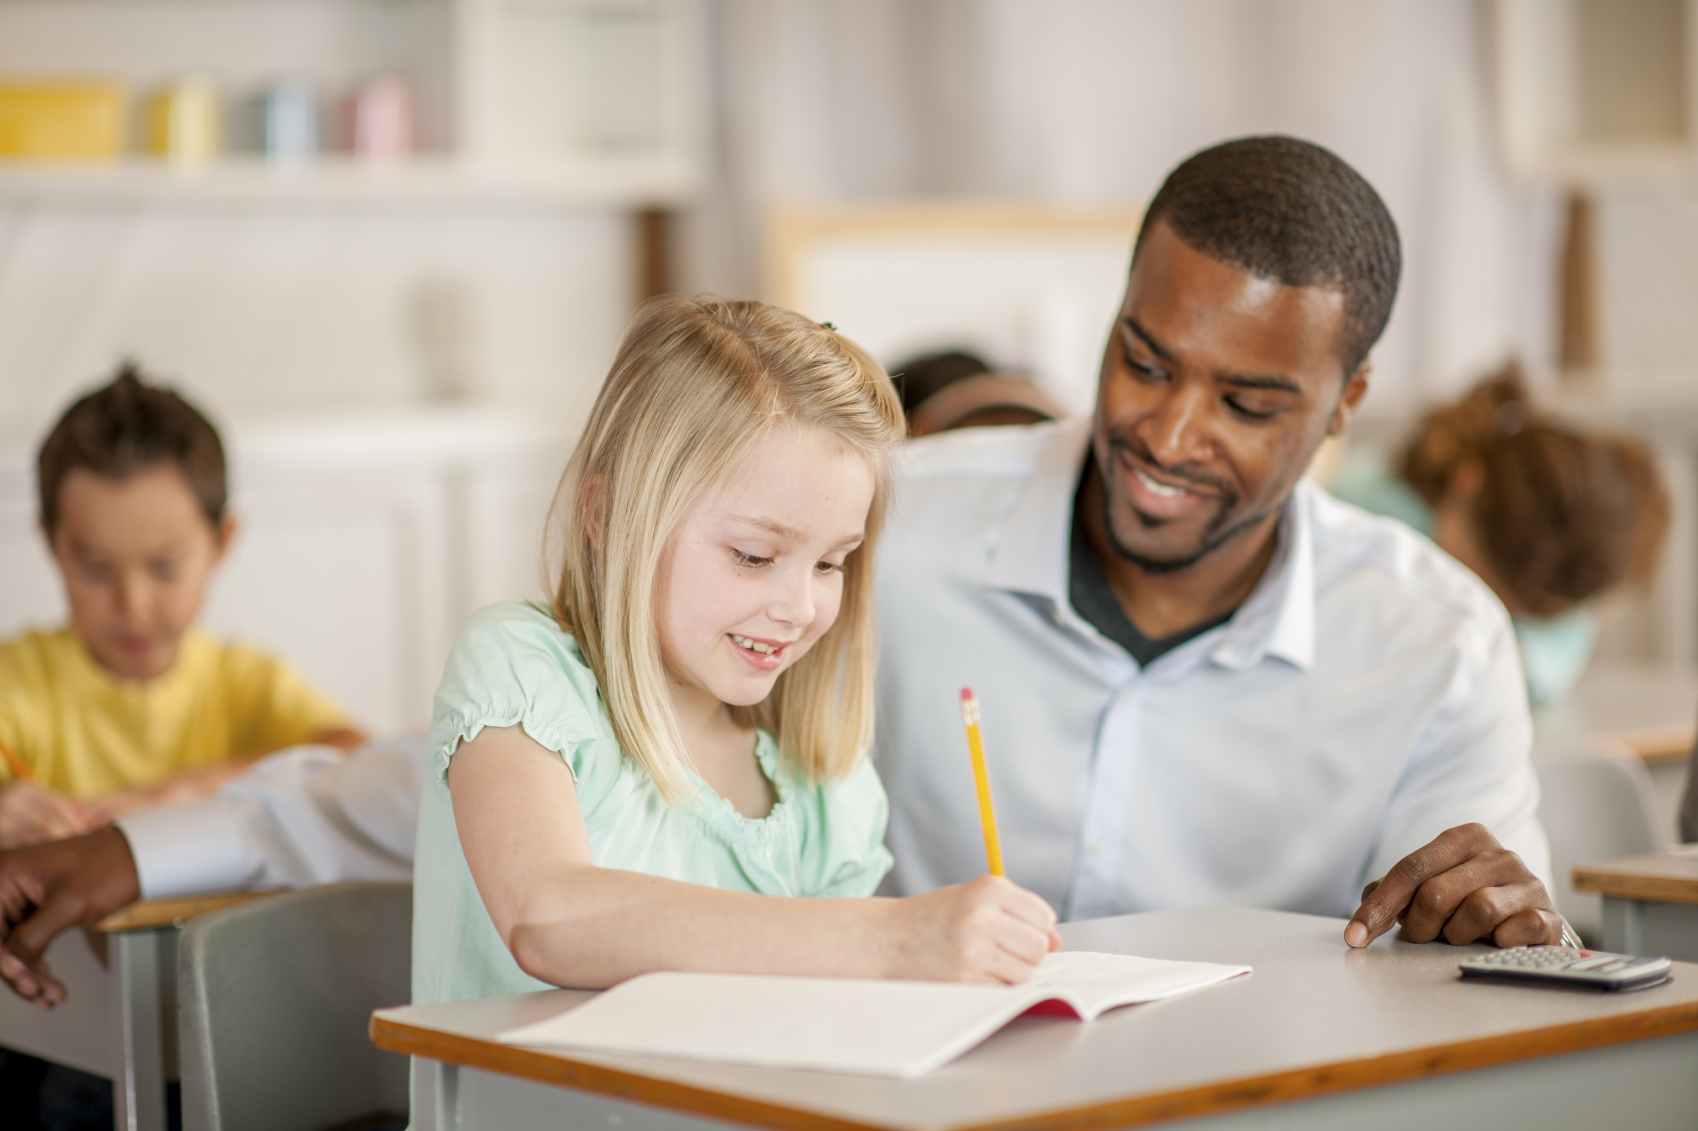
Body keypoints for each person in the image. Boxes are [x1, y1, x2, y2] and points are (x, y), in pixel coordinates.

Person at [874, 135, 1566, 951]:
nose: (1168, 438)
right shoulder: (881, 531)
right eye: (1145, 363)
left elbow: (1490, 962)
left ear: (1347, 402)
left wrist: (1511, 928)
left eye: (1246, 405)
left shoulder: (1440, 646)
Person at [415, 295, 1060, 1011]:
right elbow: (546, 916)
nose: (800, 606)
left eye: (830, 563)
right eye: (754, 555)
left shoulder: (826, 786)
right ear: (605, 517)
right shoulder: (522, 669)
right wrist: (887, 937)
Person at [0, 365, 365, 850]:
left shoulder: (241, 682)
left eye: (164, 567)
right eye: (95, 569)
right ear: (50, 542)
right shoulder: (18, 683)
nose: (133, 605)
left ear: (222, 542)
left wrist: (190, 790)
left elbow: (355, 755)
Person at [1329, 361, 1669, 705]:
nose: (1486, 607)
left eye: (1515, 612)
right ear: (1466, 483)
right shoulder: (1364, 514)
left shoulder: (1562, 568)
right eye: (1479, 580)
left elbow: (1542, 663)